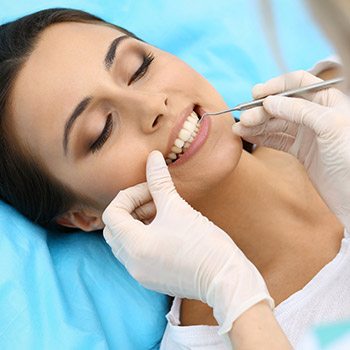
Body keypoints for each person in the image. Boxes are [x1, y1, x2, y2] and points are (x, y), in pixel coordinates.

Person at [0, 7, 348, 349]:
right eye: (100, 131)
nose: (152, 106)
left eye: (139, 68)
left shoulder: (337, 94)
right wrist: (235, 297)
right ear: (83, 216)